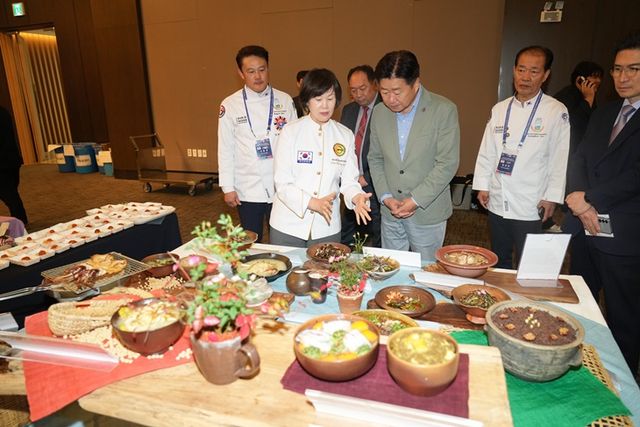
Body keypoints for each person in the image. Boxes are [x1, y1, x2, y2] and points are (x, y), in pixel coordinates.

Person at [565, 31, 640, 373]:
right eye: (618, 69)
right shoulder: (605, 112)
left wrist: (589, 199)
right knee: (582, 307)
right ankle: (584, 371)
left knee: (624, 318)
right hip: (585, 228)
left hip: (624, 235)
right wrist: (580, 203)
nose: (623, 77)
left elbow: (635, 176)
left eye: (633, 69)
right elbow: (580, 157)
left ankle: (622, 383)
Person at [472, 45, 570, 269]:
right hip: (498, 198)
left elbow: (559, 158)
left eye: (534, 71)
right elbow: (487, 151)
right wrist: (482, 186)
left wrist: (552, 197)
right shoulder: (500, 109)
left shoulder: (556, 111)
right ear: (514, 71)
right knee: (499, 260)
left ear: (545, 75)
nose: (525, 77)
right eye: (521, 70)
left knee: (530, 265)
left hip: (531, 202)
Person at [368, 50, 460, 262]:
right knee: (391, 269)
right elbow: (375, 158)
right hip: (390, 210)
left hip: (427, 212)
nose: (391, 99)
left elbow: (447, 163)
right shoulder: (380, 112)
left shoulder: (443, 110)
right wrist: (386, 197)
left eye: (397, 92)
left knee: (427, 270)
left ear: (416, 83)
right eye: (384, 92)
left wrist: (415, 199)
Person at [270, 68, 371, 247]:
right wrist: (312, 203)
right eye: (318, 99)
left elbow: (349, 181)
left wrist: (357, 197)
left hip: (326, 226)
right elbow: (282, 182)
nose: (325, 106)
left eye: (330, 99)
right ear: (307, 101)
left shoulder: (344, 135)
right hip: (287, 225)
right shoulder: (291, 131)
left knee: (325, 266)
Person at [217, 45, 297, 242]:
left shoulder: (285, 100)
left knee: (282, 239)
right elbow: (225, 148)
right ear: (241, 73)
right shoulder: (230, 105)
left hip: (281, 186)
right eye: (251, 71)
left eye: (262, 69)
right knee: (251, 242)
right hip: (247, 187)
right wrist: (227, 187)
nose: (258, 76)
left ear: (268, 68)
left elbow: (296, 144)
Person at [553, 62, 603, 286]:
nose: (597, 81)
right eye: (592, 76)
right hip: (571, 161)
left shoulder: (587, 97)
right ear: (580, 79)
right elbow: (579, 128)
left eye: (599, 77)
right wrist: (588, 100)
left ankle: (564, 231)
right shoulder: (569, 97)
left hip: (580, 163)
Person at [340, 65, 382, 248]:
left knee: (378, 234)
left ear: (374, 84)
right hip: (351, 183)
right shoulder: (348, 110)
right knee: (348, 235)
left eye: (362, 88)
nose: (358, 94)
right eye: (353, 90)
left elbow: (387, 153)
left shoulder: (386, 110)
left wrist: (366, 177)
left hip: (375, 184)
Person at [0, 106, 28, 225]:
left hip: (2, 164)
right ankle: (22, 223)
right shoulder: (3, 111)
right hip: (12, 160)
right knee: (12, 195)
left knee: (11, 197)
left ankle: (21, 225)